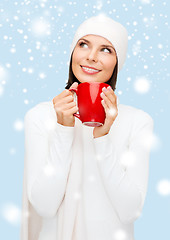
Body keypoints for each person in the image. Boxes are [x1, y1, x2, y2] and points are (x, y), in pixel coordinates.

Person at [21, 15, 154, 240]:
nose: (91, 57)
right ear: (73, 52)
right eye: (83, 45)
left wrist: (102, 137)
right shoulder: (40, 116)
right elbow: (44, 206)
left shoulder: (137, 122)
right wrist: (64, 128)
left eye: (106, 50)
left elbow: (130, 211)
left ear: (118, 62)